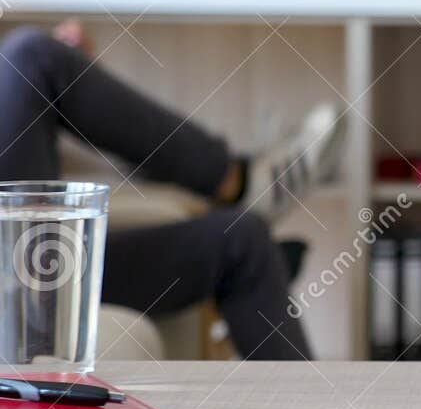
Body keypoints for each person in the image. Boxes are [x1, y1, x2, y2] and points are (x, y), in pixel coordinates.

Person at [0, 23, 344, 360]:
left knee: (242, 239)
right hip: (19, 282)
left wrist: (50, 100)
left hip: (40, 259)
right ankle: (239, 182)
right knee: (31, 57)